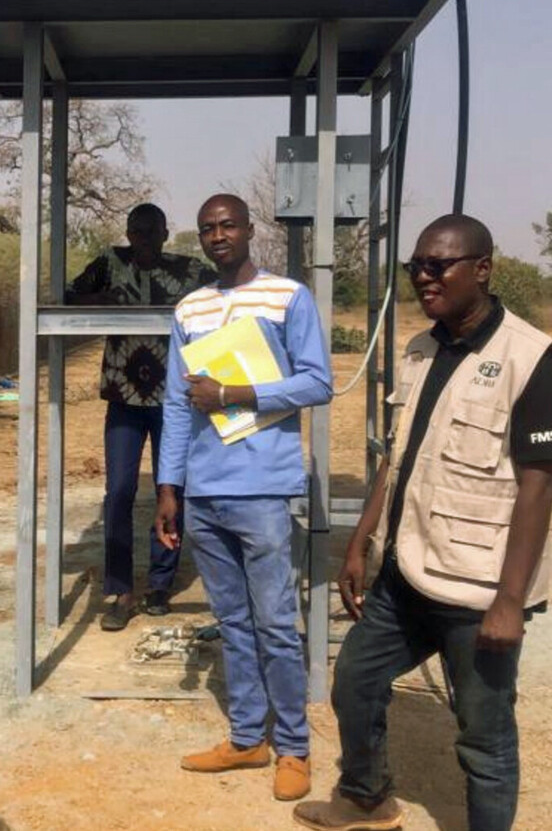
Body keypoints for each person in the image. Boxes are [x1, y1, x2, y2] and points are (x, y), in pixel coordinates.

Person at [294, 214, 552, 831]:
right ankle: (365, 797)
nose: (424, 277)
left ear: (482, 269)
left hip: (477, 589)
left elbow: (538, 484)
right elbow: (397, 459)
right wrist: (362, 540)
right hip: (406, 574)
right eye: (415, 266)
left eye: (437, 265)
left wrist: (509, 600)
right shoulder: (420, 350)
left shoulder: (532, 360)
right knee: (356, 681)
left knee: (485, 737)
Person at [155, 193, 333, 803]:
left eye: (228, 224)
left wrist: (233, 392)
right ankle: (247, 737)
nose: (218, 235)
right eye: (207, 228)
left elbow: (317, 382)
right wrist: (169, 487)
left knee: (277, 625)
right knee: (232, 622)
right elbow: (177, 407)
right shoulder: (190, 308)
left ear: (250, 229)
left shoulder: (287, 297)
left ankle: (294, 748)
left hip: (263, 487)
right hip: (204, 491)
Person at [67, 202, 216, 631]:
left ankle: (158, 586)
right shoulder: (110, 264)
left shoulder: (188, 272)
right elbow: (71, 296)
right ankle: (119, 590)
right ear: (128, 233)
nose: (144, 240)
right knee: (119, 492)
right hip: (125, 398)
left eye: (152, 233)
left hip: (174, 401)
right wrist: (102, 300)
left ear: (166, 234)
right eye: (137, 232)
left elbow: (225, 297)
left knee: (173, 489)